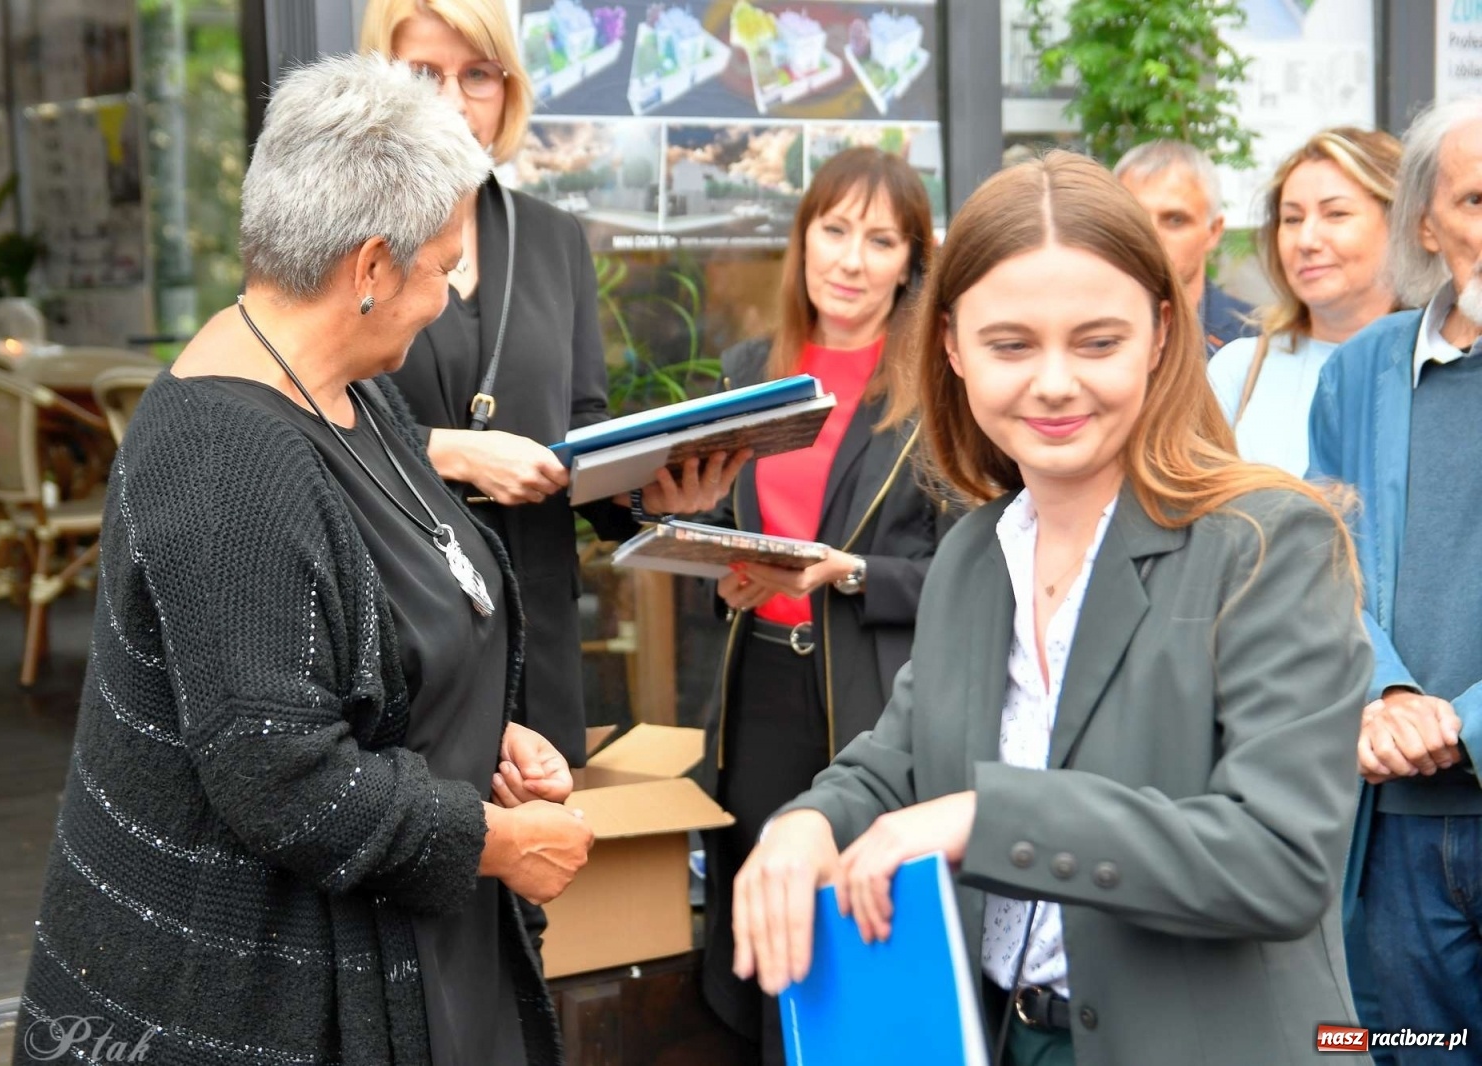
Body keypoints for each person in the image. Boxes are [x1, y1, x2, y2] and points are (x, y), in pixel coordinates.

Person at [14, 55, 594, 1066]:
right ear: (370, 268)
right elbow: (285, 783)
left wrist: (477, 731)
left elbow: (375, 632)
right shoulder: (221, 463)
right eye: (442, 266)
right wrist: (497, 843)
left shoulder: (349, 389)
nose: (452, 294)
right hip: (251, 1001)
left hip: (409, 952)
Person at [732, 151, 1372, 1066]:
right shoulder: (973, 555)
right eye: (1012, 345)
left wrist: (983, 820)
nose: (1057, 382)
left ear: (1161, 332)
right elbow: (897, 762)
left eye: (1098, 342)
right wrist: (806, 824)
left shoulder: (1269, 546)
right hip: (1005, 1036)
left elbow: (1279, 860)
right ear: (951, 347)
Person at [359, 0, 743, 773]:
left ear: (508, 92)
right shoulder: (342, 233)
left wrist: (646, 494)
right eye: (422, 74)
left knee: (539, 864)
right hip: (400, 617)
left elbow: (581, 418)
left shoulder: (550, 236)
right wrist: (450, 452)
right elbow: (303, 413)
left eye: (478, 76)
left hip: (535, 612)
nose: (453, 102)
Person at [699, 147, 951, 1066]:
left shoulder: (937, 388)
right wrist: (724, 568)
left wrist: (851, 573)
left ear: (910, 262)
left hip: (874, 701)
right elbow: (735, 520)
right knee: (770, 931)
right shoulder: (746, 372)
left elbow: (968, 569)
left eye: (878, 240)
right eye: (833, 230)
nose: (849, 259)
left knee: (859, 932)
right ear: (803, 240)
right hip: (757, 693)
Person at [1308, 99, 1482, 1064]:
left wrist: (1464, 723)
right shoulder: (1361, 372)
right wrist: (1390, 692)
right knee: (1397, 1051)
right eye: (1478, 200)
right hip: (1394, 839)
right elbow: (1322, 567)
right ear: (1427, 225)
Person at [1206, 128, 1402, 476]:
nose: (1307, 240)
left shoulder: (1443, 368)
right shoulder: (1240, 369)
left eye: (1336, 214)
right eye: (1292, 219)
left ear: (1400, 223)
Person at [1114, 139, 1255, 354]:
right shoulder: (1076, 325)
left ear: (1214, 231)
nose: (1152, 236)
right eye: (1136, 218)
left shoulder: (1255, 339)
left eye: (1175, 220)